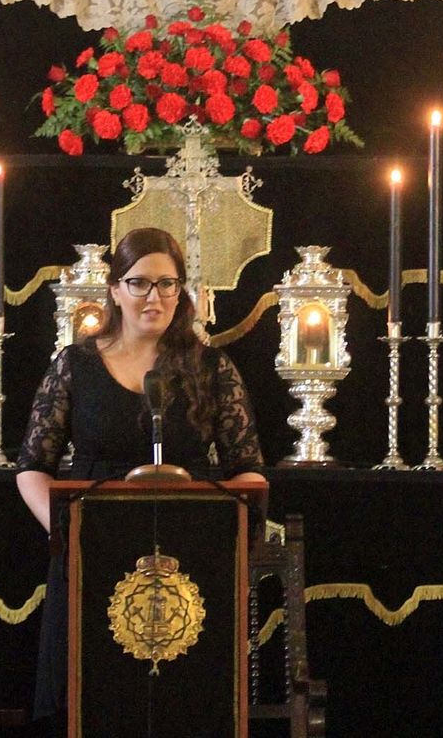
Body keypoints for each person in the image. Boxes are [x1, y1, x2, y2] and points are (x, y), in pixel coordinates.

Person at [15, 226, 266, 724]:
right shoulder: (75, 365)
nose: (155, 297)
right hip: (91, 558)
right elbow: (32, 469)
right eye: (140, 283)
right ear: (114, 290)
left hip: (187, 566)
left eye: (168, 284)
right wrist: (70, 534)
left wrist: (220, 538)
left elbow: (249, 474)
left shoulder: (212, 369)